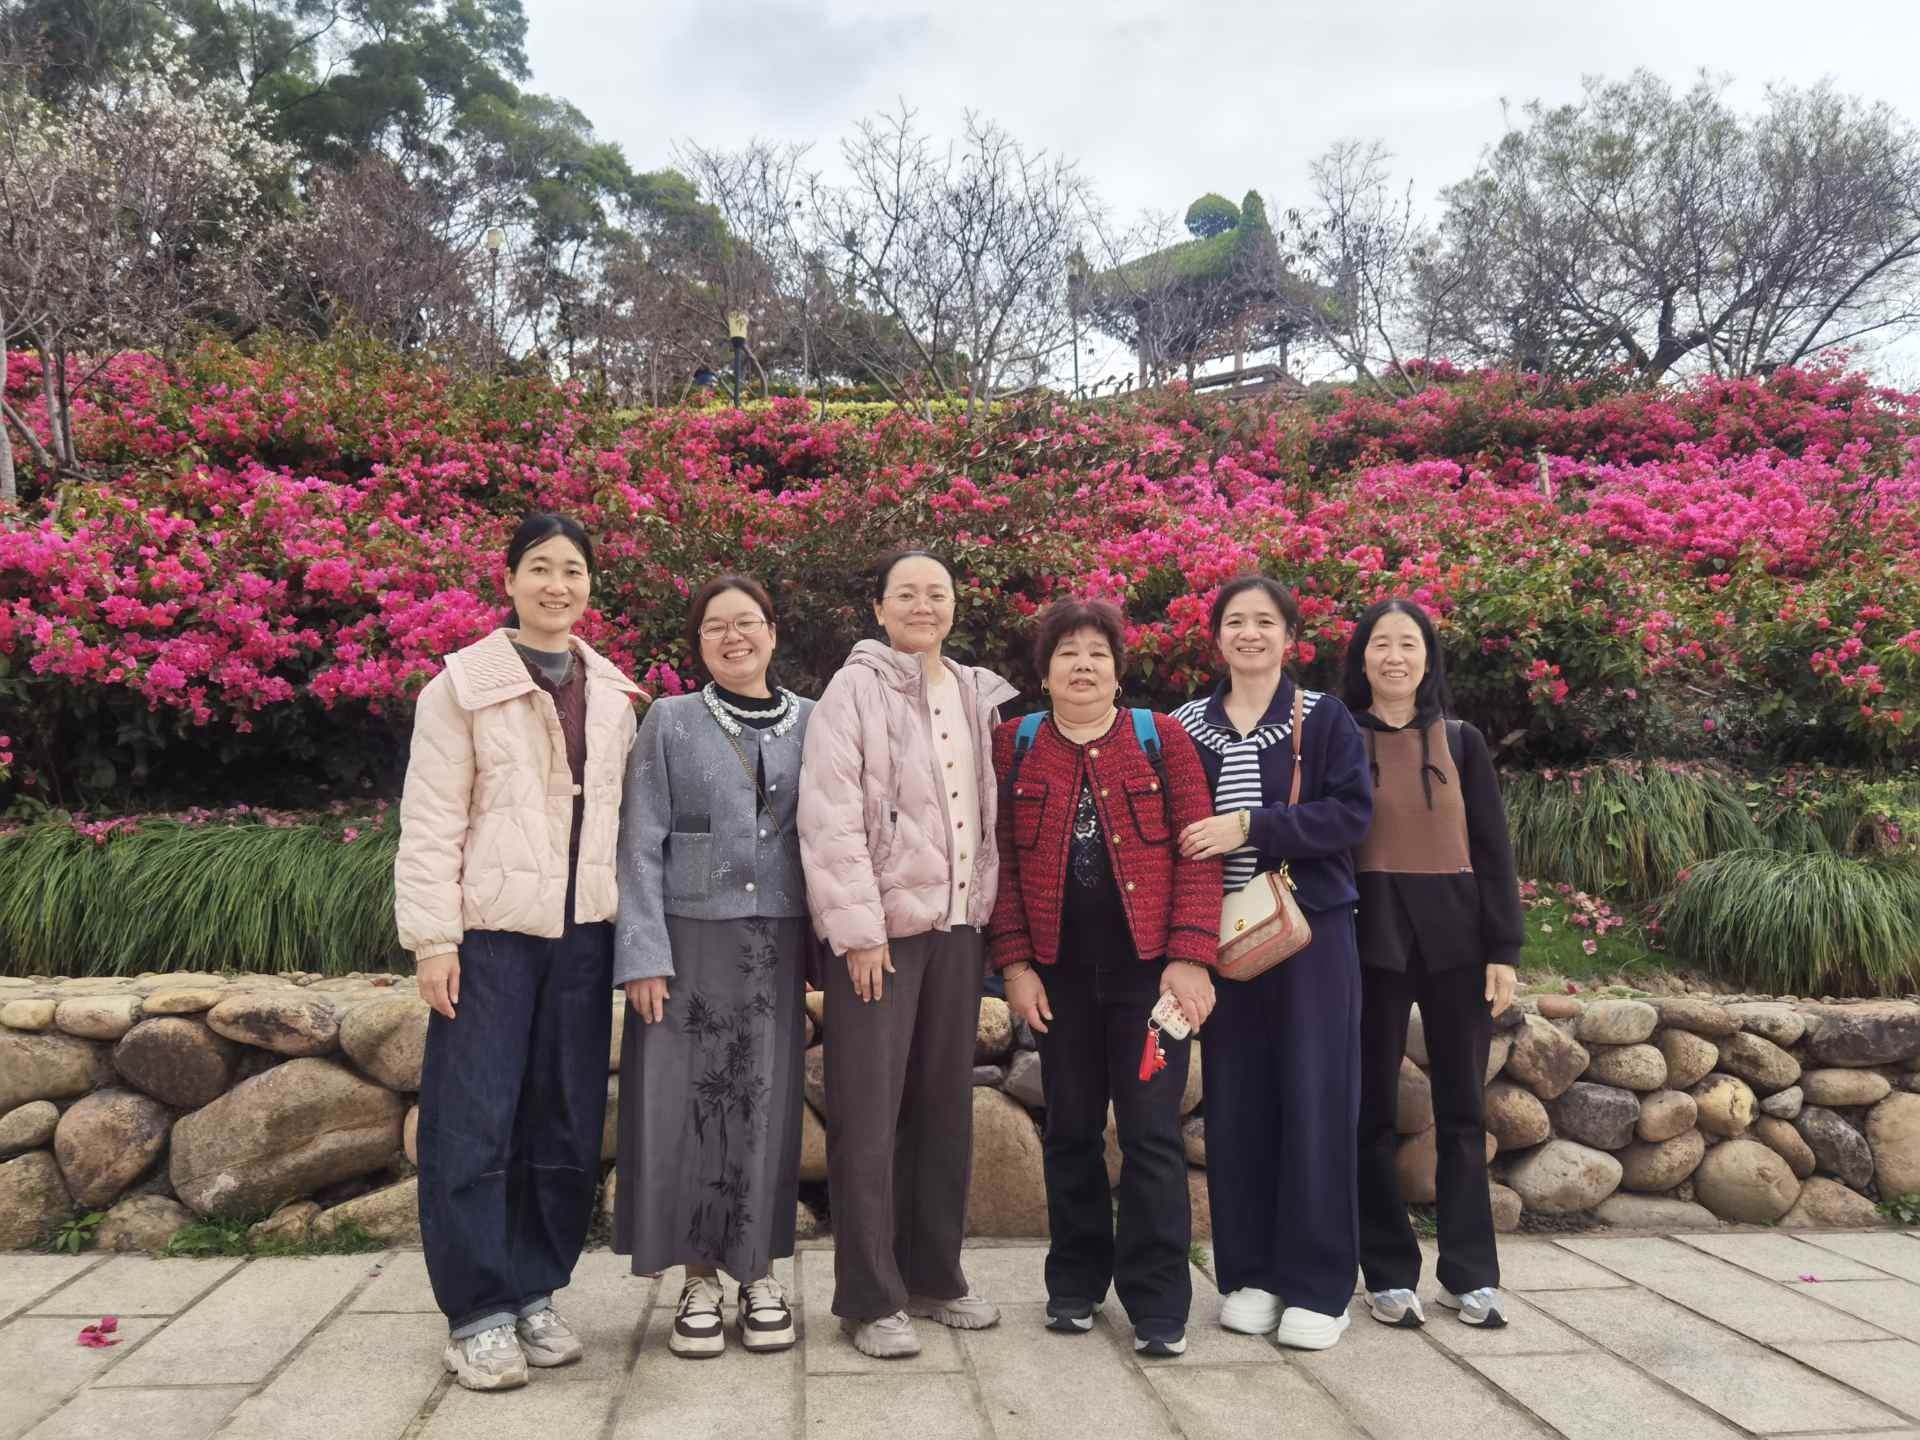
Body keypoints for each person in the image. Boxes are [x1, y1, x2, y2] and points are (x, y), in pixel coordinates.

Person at [396, 512, 644, 1392]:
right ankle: (477, 1312)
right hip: (492, 937)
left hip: (583, 935)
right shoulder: (460, 687)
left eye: (572, 569)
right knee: (474, 1119)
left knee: (564, 1117)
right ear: (508, 580)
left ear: (589, 585)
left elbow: (624, 826)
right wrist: (434, 939)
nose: (557, 585)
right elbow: (430, 821)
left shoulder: (613, 694)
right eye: (540, 567)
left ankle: (535, 1288)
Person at [797, 549, 1019, 1360]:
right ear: (880, 609)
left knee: (942, 1108)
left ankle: (933, 1275)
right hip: (881, 938)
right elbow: (829, 816)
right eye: (907, 594)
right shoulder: (853, 691)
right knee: (868, 1113)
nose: (924, 606)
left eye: (938, 593)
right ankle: (869, 1296)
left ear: (954, 605)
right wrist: (858, 932)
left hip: (959, 929)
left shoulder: (975, 692)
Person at [990, 598, 1222, 1358]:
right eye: (1067, 653)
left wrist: (1189, 956)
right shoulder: (1015, 745)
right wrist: (1016, 964)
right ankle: (1075, 1282)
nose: (1083, 665)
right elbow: (999, 866)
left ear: (1119, 672)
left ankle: (1158, 1300)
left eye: (1097, 653)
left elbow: (1198, 854)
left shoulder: (1162, 740)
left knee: (1152, 1132)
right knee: (1070, 1129)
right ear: (1045, 672)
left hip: (1150, 984)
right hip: (1058, 982)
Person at [611, 575, 812, 1358]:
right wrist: (644, 955)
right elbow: (639, 841)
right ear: (697, 643)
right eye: (715, 626)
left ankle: (758, 1274)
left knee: (765, 1102)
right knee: (689, 1105)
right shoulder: (670, 721)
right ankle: (698, 1279)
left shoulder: (816, 721)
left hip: (779, 942)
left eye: (748, 622)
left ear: (773, 632)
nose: (734, 637)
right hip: (688, 941)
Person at [1171, 575, 1373, 1351]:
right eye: (1235, 621)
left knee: (1317, 1099)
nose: (1249, 633)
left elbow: (1351, 815)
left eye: (1265, 621)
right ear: (1216, 636)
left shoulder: (1323, 718)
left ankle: (1319, 1285)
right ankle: (1251, 1274)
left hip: (1309, 936)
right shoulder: (1186, 725)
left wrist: (1250, 827)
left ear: (1291, 636)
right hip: (1220, 943)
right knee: (1238, 1104)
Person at [1344, 599, 1523, 1330]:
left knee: (1462, 1112)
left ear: (1428, 658)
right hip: (1368, 940)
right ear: (1361, 658)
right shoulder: (1338, 736)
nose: (1394, 656)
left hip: (1458, 944)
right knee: (1370, 1114)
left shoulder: (1461, 740)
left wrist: (1504, 948)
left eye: (1408, 643)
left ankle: (1470, 1275)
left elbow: (1492, 846)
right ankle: (1387, 1273)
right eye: (1380, 643)